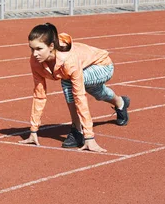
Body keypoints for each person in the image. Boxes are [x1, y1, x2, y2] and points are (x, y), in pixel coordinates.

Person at [20, 23, 130, 153]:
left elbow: (79, 97)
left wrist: (89, 136)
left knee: (68, 82)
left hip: (102, 65)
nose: (35, 54)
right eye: (32, 49)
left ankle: (77, 130)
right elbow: (39, 95)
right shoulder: (35, 62)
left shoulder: (68, 60)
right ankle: (120, 102)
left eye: (39, 49)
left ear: (51, 46)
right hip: (83, 68)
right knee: (98, 93)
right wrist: (33, 130)